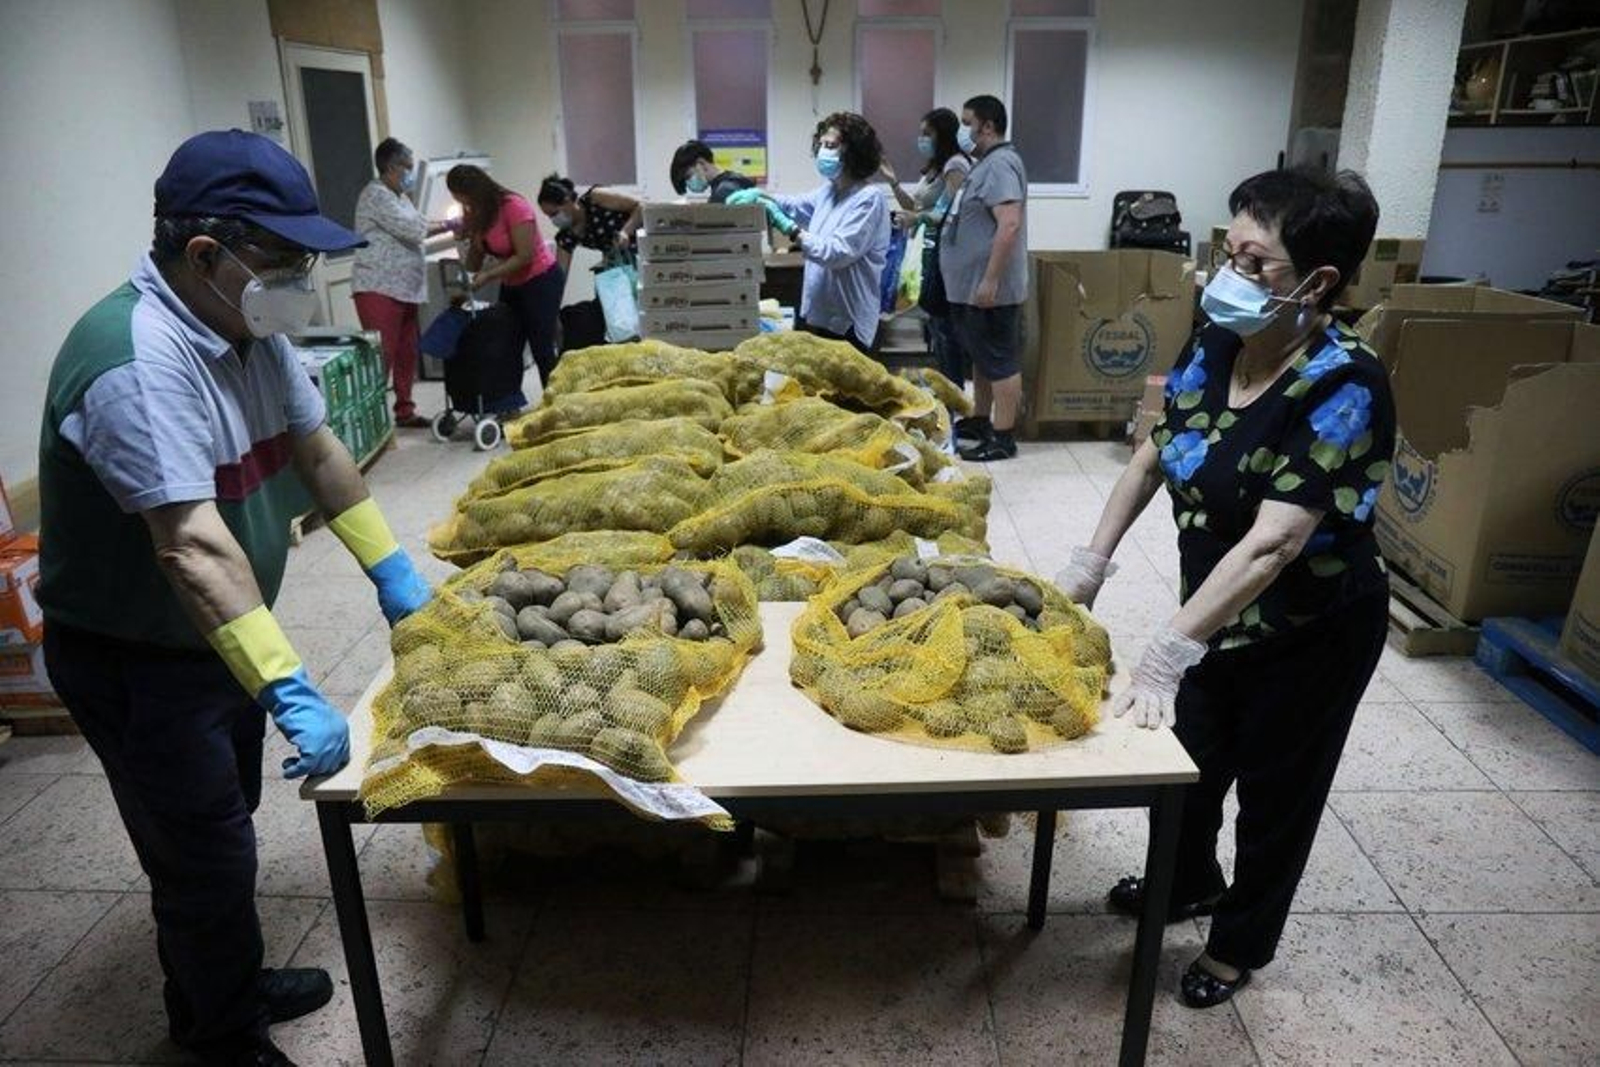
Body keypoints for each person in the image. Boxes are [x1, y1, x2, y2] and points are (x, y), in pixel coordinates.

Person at [36, 130, 434, 1065]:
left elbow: (320, 452)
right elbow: (190, 545)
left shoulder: (245, 331)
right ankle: (221, 1036)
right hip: (138, 654)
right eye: (283, 259)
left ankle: (223, 982)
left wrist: (395, 574)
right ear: (205, 254)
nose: (299, 278)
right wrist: (290, 686)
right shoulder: (135, 361)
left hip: (216, 636)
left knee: (223, 818)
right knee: (203, 849)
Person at [1057, 167, 1390, 1010]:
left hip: (1307, 627)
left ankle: (1240, 943)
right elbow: (1152, 451)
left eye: (1254, 262)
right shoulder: (1214, 342)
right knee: (1190, 764)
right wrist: (1090, 564)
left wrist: (1171, 647)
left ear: (1316, 282)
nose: (1227, 276)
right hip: (1211, 610)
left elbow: (1275, 543)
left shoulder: (1345, 383)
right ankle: (1186, 882)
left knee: (1277, 791)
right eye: (1226, 251)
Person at [730, 111, 891, 352]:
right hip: (822, 315)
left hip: (848, 323)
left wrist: (789, 229)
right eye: (822, 144)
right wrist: (761, 196)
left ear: (853, 151)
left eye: (831, 145)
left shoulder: (868, 199)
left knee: (847, 388)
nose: (823, 151)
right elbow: (795, 205)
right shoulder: (830, 191)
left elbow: (836, 254)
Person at [941, 94, 1028, 462]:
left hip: (990, 289)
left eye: (966, 122)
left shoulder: (1000, 165)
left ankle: (1004, 436)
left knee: (1000, 361)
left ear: (987, 126)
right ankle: (980, 420)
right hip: (973, 287)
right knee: (983, 359)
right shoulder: (985, 164)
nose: (962, 130)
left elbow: (1009, 225)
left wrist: (990, 280)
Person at [352, 137, 453, 428]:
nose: (410, 173)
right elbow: (414, 230)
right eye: (407, 167)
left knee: (407, 351)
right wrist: (450, 224)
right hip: (378, 286)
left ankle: (404, 410)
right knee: (381, 357)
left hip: (405, 288)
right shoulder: (376, 195)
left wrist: (449, 228)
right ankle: (370, 421)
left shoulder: (400, 197)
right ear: (390, 166)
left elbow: (419, 225)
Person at [447, 164, 565, 389]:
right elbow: (476, 252)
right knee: (506, 343)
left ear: (477, 192)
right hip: (513, 282)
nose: (465, 206)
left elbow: (525, 256)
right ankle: (509, 403)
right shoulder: (478, 212)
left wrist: (488, 276)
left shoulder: (514, 207)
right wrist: (465, 287)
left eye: (465, 200)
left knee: (541, 346)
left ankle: (555, 404)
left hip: (540, 279)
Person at [882, 107, 971, 393]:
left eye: (927, 133)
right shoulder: (935, 167)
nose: (921, 139)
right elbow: (916, 207)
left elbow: (945, 212)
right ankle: (944, 387)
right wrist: (893, 181)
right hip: (931, 253)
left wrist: (917, 218)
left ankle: (954, 391)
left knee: (945, 330)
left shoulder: (956, 165)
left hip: (949, 257)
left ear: (942, 135)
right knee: (935, 325)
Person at [537, 174, 642, 276]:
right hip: (622, 266)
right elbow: (560, 277)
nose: (554, 220)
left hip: (647, 251)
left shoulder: (596, 197)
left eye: (554, 213)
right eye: (549, 217)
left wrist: (626, 231)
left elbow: (641, 206)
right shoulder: (567, 237)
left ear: (567, 201)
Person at [669, 139, 756, 203]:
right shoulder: (735, 180)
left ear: (701, 164)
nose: (689, 183)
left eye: (688, 176)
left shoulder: (723, 192)